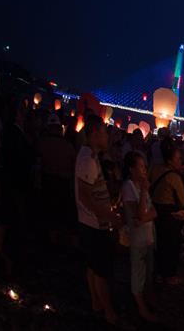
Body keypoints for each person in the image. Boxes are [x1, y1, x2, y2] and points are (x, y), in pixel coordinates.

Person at [75, 115, 121, 324]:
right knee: (102, 270)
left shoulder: (90, 156)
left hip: (90, 223)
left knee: (93, 266)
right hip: (94, 224)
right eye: (104, 131)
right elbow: (85, 195)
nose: (108, 136)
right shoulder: (87, 159)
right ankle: (109, 312)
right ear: (94, 134)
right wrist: (109, 216)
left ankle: (96, 304)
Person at [150, 143, 184, 284]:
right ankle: (169, 275)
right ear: (170, 160)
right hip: (170, 214)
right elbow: (182, 200)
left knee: (159, 243)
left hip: (155, 210)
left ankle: (157, 272)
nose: (181, 161)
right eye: (179, 158)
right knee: (171, 244)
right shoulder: (174, 177)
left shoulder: (155, 169)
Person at [121, 151, 158, 322]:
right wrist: (144, 191)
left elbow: (153, 213)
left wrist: (145, 215)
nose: (145, 170)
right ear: (131, 169)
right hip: (137, 240)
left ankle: (146, 300)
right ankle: (141, 309)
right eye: (141, 167)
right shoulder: (129, 187)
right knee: (138, 273)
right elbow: (140, 215)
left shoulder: (141, 186)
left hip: (148, 237)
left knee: (147, 272)